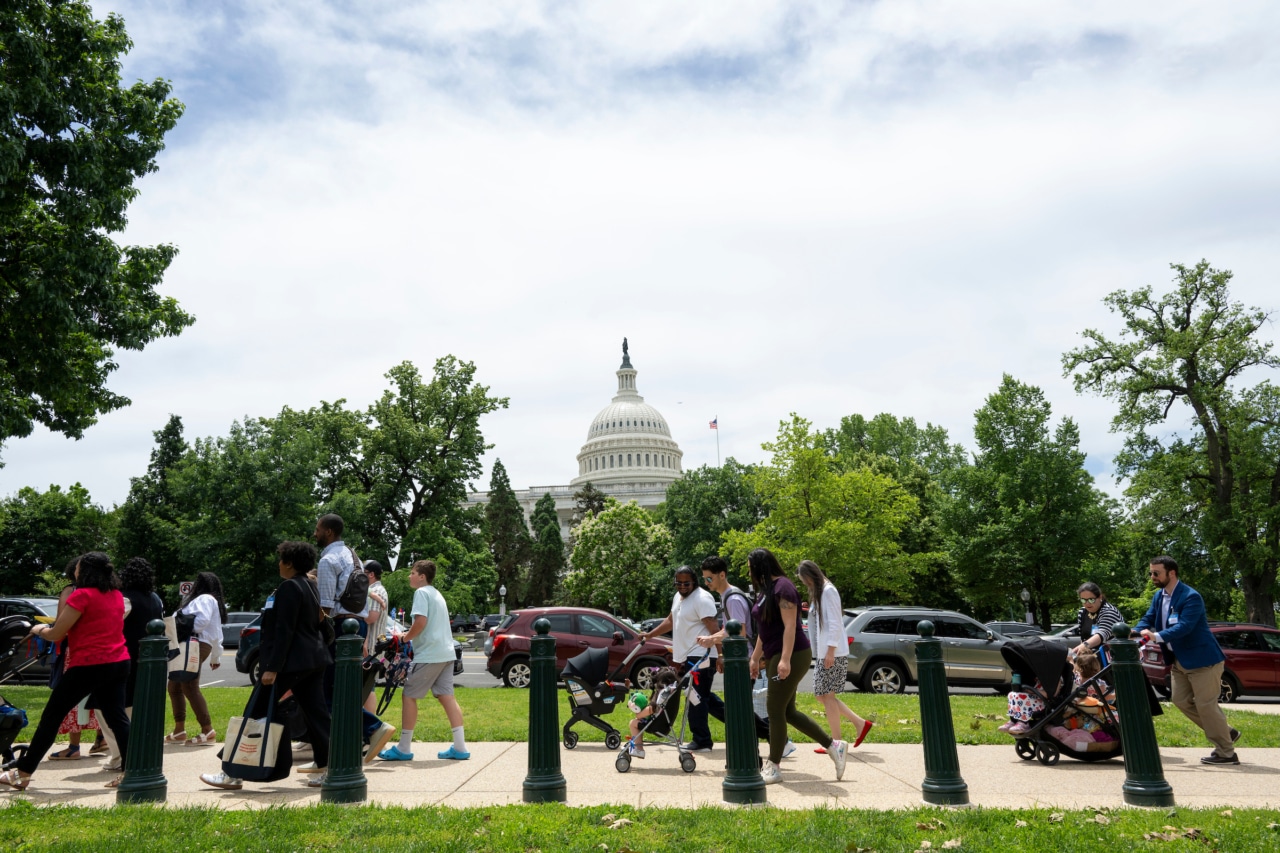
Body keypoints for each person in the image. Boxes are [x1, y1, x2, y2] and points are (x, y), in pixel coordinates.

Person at [201, 541, 333, 790]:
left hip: (290, 664)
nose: (278, 564)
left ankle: (232, 773)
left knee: (255, 711)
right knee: (318, 717)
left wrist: (271, 666)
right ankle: (333, 770)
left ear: (290, 563)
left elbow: (284, 631)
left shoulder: (288, 588)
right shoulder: (310, 586)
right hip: (315, 659)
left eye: (281, 559)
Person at [0, 552, 131, 791]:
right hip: (118, 661)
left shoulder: (81, 595)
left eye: (78, 567)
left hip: (89, 664)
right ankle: (131, 773)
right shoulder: (116, 595)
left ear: (86, 571)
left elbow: (57, 633)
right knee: (118, 719)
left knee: (51, 718)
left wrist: (39, 629)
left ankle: (23, 773)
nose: (75, 571)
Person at [746, 548, 846, 785]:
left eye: (750, 565)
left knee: (774, 709)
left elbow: (791, 627)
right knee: (787, 711)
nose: (748, 570)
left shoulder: (783, 587)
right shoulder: (765, 591)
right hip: (774, 655)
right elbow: (764, 629)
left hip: (793, 654)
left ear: (760, 565)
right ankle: (834, 747)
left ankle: (774, 765)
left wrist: (785, 660)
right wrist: (755, 657)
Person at [1136, 556, 1240, 766]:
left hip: (1203, 661)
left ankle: (1227, 753)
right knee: (1180, 701)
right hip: (1179, 661)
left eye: (1156, 573)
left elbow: (1185, 627)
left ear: (1171, 573)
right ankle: (1226, 732)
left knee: (1206, 706)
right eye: (1151, 573)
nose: (1152, 577)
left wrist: (1155, 636)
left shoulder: (1191, 597)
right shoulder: (1159, 596)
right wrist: (1135, 631)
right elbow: (1148, 618)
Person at [312, 514, 395, 765]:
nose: (314, 533)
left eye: (317, 529)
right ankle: (357, 738)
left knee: (328, 693)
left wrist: (313, 631)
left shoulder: (328, 559)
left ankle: (369, 729)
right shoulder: (352, 554)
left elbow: (324, 606)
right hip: (356, 627)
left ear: (328, 532)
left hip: (340, 627)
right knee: (344, 688)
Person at [694, 556, 789, 754]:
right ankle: (759, 745)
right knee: (739, 709)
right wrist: (721, 654)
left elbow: (739, 632)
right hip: (738, 661)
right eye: (704, 579)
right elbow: (728, 629)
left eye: (709, 578)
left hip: (743, 661)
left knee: (739, 709)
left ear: (722, 575)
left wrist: (712, 639)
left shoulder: (733, 598)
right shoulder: (726, 597)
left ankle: (774, 738)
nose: (706, 583)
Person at [379, 559, 468, 762]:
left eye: (412, 573)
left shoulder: (421, 593)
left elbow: (420, 622)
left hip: (429, 654)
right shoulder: (437, 594)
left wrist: (404, 637)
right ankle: (460, 747)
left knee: (409, 696)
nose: (409, 576)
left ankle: (403, 748)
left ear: (421, 576)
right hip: (446, 653)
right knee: (447, 697)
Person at [638, 566, 719, 753]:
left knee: (695, 698)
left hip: (702, 655)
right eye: (678, 583)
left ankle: (702, 741)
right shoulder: (679, 598)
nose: (682, 586)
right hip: (688, 656)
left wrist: (721, 655)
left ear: (695, 582)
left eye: (686, 583)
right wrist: (650, 635)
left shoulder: (702, 598)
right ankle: (747, 723)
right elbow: (670, 620)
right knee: (705, 699)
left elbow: (715, 629)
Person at [796, 560, 873, 749]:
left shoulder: (828, 591)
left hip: (832, 652)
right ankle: (858, 724)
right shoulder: (823, 592)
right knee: (822, 696)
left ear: (811, 576)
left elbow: (836, 623)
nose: (806, 585)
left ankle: (836, 743)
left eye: (805, 581)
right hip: (827, 651)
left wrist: (830, 651)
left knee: (826, 696)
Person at [165, 571, 226, 745]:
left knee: (189, 685)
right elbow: (217, 633)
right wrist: (216, 656)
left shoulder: (205, 599)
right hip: (192, 645)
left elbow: (201, 623)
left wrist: (180, 622)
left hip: (194, 644)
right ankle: (179, 730)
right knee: (174, 686)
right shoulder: (207, 601)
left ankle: (207, 729)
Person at [362, 560, 391, 716]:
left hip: (370, 647)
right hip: (372, 646)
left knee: (367, 687)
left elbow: (371, 617)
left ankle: (371, 727)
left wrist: (355, 614)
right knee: (367, 686)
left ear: (371, 574)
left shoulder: (377, 591)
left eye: (363, 573)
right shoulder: (373, 591)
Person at [1071, 582, 1125, 664]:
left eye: (1091, 599)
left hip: (1113, 659)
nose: (1087, 603)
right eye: (1083, 600)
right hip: (1092, 659)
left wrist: (1082, 646)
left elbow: (1102, 634)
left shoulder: (1109, 611)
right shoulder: (1082, 612)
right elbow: (1083, 637)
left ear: (1100, 597)